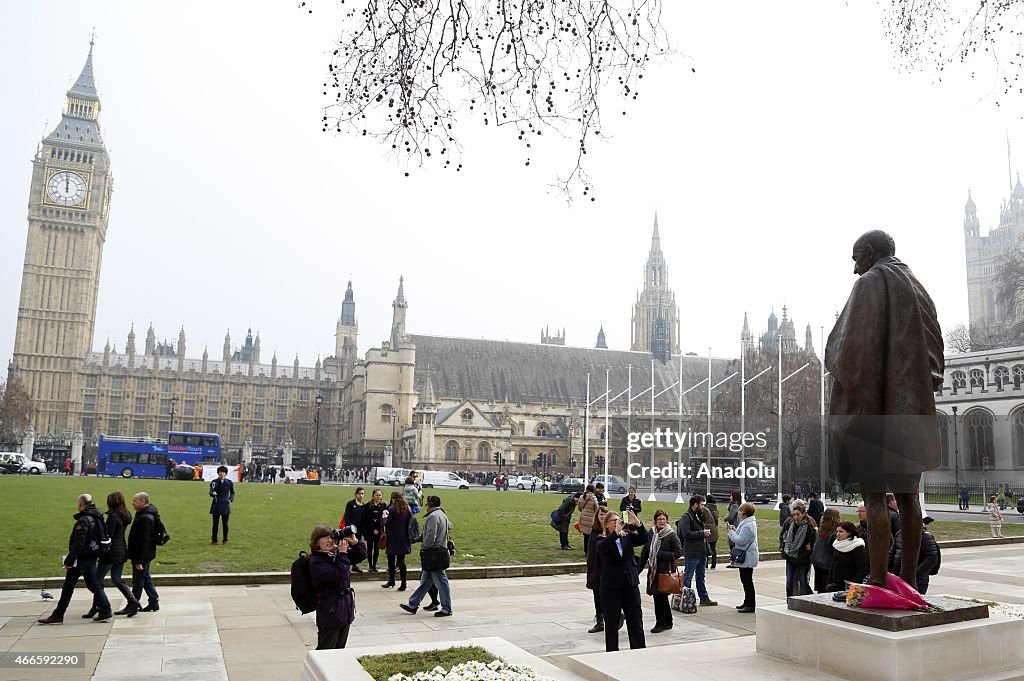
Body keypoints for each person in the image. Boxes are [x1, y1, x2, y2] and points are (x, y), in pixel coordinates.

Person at [825, 230, 944, 589]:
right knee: (909, 498)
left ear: (870, 252)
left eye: (856, 259)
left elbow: (848, 351)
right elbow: (936, 352)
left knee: (875, 499)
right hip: (912, 415)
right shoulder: (917, 287)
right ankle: (908, 579)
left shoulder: (869, 285)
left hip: (874, 413)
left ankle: (877, 579)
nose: (854, 269)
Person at [37, 494, 113, 624]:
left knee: (68, 586)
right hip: (91, 557)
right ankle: (105, 610)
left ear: (80, 504)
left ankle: (58, 614)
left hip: (81, 558)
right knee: (94, 585)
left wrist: (69, 561)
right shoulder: (97, 516)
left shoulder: (84, 520)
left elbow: (79, 543)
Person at [308, 525, 367, 649]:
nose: (330, 541)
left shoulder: (334, 555)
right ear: (316, 541)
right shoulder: (316, 561)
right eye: (325, 538)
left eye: (331, 537)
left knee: (339, 651)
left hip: (344, 611)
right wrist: (342, 554)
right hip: (330, 613)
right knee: (326, 651)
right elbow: (339, 575)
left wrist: (355, 542)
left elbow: (361, 555)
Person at [595, 510, 647, 651]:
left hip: (630, 584)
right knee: (611, 623)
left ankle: (639, 649)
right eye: (614, 521)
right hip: (611, 587)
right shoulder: (601, 539)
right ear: (607, 525)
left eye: (619, 519)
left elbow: (643, 539)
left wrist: (637, 523)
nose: (619, 522)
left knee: (635, 620)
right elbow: (602, 549)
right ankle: (612, 652)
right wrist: (615, 533)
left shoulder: (627, 536)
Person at [400, 495, 454, 617]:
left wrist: (424, 546)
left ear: (429, 505)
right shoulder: (442, 514)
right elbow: (449, 526)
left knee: (441, 582)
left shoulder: (433, 517)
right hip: (439, 552)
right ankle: (413, 604)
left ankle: (447, 608)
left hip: (433, 555)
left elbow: (430, 537)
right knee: (426, 581)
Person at [93, 492, 142, 619]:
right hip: (121, 550)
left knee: (97, 581)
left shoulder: (113, 517)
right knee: (117, 579)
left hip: (111, 552)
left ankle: (103, 607)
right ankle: (133, 602)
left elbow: (109, 535)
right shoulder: (126, 514)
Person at [639, 509, 682, 633]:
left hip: (665, 572)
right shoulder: (651, 533)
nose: (662, 521)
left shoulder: (671, 535)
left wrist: (660, 554)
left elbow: (678, 552)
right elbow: (645, 551)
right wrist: (639, 568)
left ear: (667, 520)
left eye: (663, 519)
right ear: (655, 521)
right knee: (660, 598)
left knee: (660, 598)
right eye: (659, 519)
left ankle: (660, 623)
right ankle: (667, 622)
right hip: (654, 571)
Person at [676, 495, 717, 607]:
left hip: (701, 551)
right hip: (692, 552)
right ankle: (685, 599)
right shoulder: (687, 516)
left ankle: (704, 598)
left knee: (701, 576)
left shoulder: (698, 515)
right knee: (688, 576)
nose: (703, 507)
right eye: (702, 504)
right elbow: (686, 534)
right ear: (695, 504)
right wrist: (702, 533)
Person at [128, 492, 161, 612]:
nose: (132, 503)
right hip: (146, 553)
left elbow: (143, 541)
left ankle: (133, 604)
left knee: (138, 580)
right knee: (145, 577)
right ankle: (153, 601)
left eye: (135, 501)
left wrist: (138, 560)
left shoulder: (145, 518)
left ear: (143, 501)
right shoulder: (146, 514)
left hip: (142, 554)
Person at [727, 502, 759, 613]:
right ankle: (747, 601)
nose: (738, 513)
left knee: (747, 581)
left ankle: (750, 604)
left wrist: (731, 533)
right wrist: (735, 531)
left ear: (744, 513)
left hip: (748, 557)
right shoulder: (747, 523)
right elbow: (742, 537)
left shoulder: (748, 525)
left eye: (740, 511)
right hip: (747, 557)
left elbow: (741, 541)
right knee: (745, 580)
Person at [780, 506, 816, 597]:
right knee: (789, 583)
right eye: (794, 515)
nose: (796, 517)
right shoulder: (790, 525)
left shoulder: (809, 528)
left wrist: (805, 554)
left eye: (798, 515)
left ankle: (812, 597)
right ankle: (790, 601)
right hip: (790, 558)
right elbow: (783, 537)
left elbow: (811, 545)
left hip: (802, 559)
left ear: (803, 514)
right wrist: (784, 549)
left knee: (803, 582)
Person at [382, 491, 412, 591]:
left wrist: (384, 519)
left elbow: (387, 523)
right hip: (403, 537)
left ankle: (391, 580)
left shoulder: (392, 509)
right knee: (401, 561)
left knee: (391, 560)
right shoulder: (407, 508)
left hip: (393, 537)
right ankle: (403, 582)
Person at [827, 521, 868, 592]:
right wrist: (829, 582)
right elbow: (833, 564)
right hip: (835, 585)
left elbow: (862, 569)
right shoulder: (837, 545)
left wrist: (852, 586)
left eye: (841, 531)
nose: (838, 534)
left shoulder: (858, 547)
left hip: (849, 587)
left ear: (849, 533)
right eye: (837, 531)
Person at [811, 508, 842, 593]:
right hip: (827, 565)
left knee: (820, 589)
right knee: (826, 588)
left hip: (818, 562)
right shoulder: (834, 534)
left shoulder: (820, 531)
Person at [342, 487, 367, 572]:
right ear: (356, 494)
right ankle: (347, 565)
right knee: (349, 548)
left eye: (362, 494)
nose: (361, 495)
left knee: (357, 548)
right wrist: (350, 529)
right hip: (351, 530)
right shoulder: (350, 504)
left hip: (359, 531)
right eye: (359, 493)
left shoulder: (363, 505)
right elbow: (347, 517)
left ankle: (354, 565)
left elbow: (363, 519)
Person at [209, 465, 235, 545]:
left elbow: (233, 492)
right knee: (215, 524)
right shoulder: (214, 482)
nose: (222, 474)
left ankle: (225, 539)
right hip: (216, 505)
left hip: (225, 505)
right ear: (218, 473)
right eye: (220, 472)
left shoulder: (229, 482)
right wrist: (213, 493)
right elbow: (210, 491)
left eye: (223, 472)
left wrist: (230, 499)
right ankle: (214, 540)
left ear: (225, 474)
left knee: (225, 524)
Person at [364, 489, 387, 572]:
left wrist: (378, 529)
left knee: (377, 548)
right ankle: (370, 565)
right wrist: (373, 529)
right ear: (373, 496)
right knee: (369, 548)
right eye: (376, 495)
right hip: (369, 531)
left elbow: (384, 519)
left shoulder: (384, 506)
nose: (378, 497)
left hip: (379, 531)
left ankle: (374, 565)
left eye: (380, 495)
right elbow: (366, 519)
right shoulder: (367, 506)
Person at [578, 485, 600, 554]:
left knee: (585, 536)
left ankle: (585, 550)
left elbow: (579, 507)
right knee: (591, 535)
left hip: (583, 517)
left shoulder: (582, 497)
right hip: (591, 518)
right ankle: (589, 551)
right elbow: (597, 508)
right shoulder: (593, 498)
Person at [703, 495, 720, 570]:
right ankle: (713, 564)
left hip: (707, 528)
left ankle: (705, 564)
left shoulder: (705, 509)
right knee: (713, 548)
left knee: (705, 547)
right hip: (714, 529)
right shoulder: (716, 509)